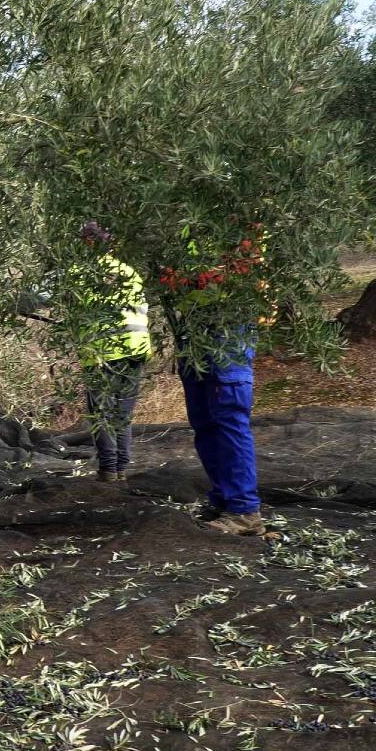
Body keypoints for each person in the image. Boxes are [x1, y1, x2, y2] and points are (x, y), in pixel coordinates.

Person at [160, 226, 267, 537]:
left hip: (226, 334)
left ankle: (245, 510)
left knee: (229, 421)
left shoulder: (238, 230)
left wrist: (189, 277)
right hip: (194, 335)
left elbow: (231, 275)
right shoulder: (186, 232)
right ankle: (223, 498)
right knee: (205, 422)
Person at [72, 221, 152, 482]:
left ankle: (108, 469)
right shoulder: (130, 272)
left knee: (102, 413)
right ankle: (120, 467)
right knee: (123, 413)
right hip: (136, 350)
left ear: (86, 242)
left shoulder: (80, 273)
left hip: (103, 353)